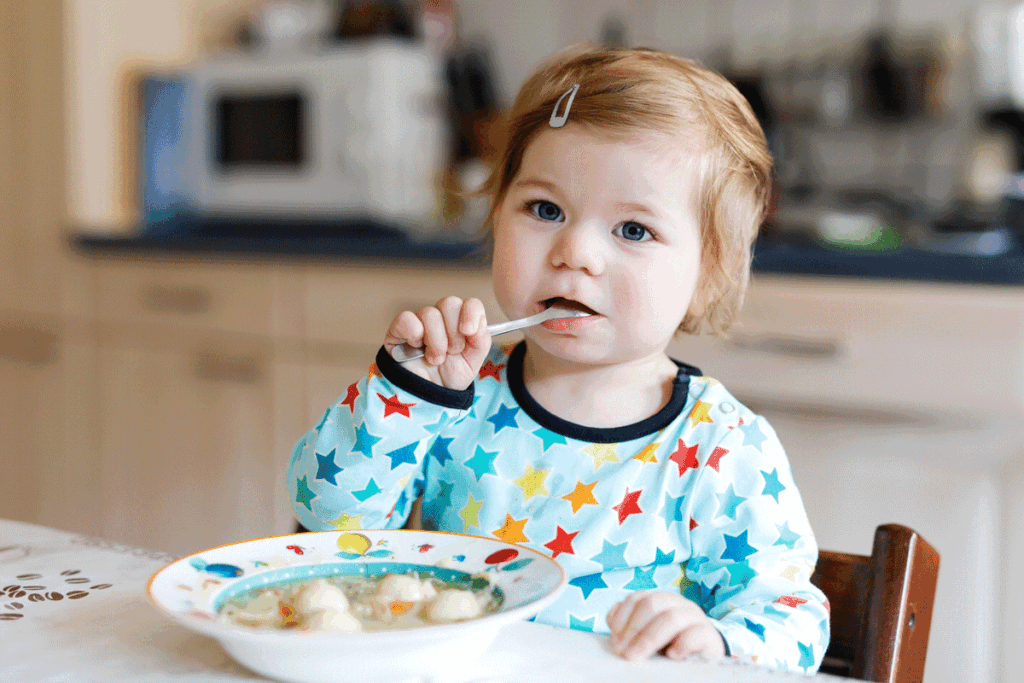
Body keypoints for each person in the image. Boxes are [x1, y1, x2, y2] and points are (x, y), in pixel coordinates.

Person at [288, 44, 829, 673]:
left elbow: (794, 622)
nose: (575, 251)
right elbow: (326, 525)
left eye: (633, 230)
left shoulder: (721, 447)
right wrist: (402, 397)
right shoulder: (453, 396)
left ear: (707, 276)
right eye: (545, 210)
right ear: (496, 218)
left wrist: (718, 641)